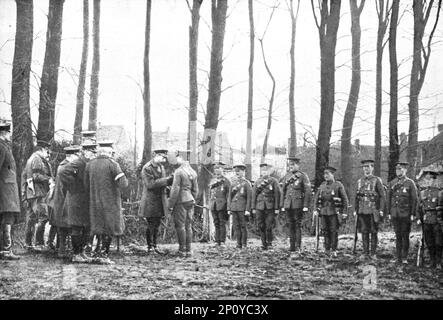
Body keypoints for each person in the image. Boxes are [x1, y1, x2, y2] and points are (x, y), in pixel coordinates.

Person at [84, 141, 128, 264]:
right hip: (110, 202)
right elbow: (124, 183)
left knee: (97, 226)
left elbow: (85, 184)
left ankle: (93, 252)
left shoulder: (90, 164)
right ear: (109, 152)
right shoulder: (113, 164)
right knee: (109, 227)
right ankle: (104, 254)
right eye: (112, 152)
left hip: (94, 202)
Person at [59, 142, 97, 263]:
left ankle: (82, 252)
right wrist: (74, 186)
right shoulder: (78, 162)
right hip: (76, 200)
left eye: (94, 152)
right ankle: (76, 254)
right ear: (85, 152)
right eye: (91, 152)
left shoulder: (88, 163)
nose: (93, 154)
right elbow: (63, 173)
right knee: (76, 227)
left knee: (85, 227)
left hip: (84, 200)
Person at [138, 149, 173, 254]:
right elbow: (150, 184)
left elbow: (162, 184)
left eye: (164, 158)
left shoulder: (161, 167)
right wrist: (167, 180)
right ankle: (149, 246)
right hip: (150, 201)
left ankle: (155, 245)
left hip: (159, 200)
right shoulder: (147, 168)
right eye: (162, 157)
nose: (163, 160)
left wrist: (168, 186)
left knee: (157, 224)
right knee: (151, 224)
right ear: (156, 155)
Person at [49, 145, 82, 258]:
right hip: (64, 200)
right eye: (77, 155)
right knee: (65, 227)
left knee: (63, 227)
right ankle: (62, 251)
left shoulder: (62, 165)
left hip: (61, 200)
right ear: (72, 155)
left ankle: (62, 249)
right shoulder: (67, 167)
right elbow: (68, 187)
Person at [22, 140, 54, 250]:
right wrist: (49, 179)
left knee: (31, 218)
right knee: (43, 217)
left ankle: (28, 243)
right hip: (38, 193)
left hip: (31, 193)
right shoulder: (37, 158)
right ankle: (39, 243)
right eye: (47, 151)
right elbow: (36, 176)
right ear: (43, 149)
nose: (48, 154)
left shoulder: (31, 158)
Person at [313, 166, 349, 258]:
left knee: (333, 231)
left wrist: (344, 212)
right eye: (324, 174)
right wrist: (315, 209)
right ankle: (327, 249)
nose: (325, 176)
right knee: (325, 231)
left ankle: (334, 249)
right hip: (324, 212)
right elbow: (316, 199)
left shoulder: (338, 185)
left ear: (332, 174)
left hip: (334, 212)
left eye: (328, 174)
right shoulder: (322, 186)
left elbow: (345, 200)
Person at [387, 162, 418, 265]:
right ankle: (398, 257)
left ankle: (404, 257)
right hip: (395, 214)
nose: (398, 171)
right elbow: (389, 199)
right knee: (398, 235)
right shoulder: (392, 183)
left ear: (405, 170)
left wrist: (413, 213)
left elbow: (414, 200)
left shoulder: (410, 183)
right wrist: (389, 212)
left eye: (400, 169)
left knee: (405, 235)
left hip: (406, 214)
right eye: (397, 169)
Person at [354, 159, 386, 260]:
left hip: (373, 209)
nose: (366, 169)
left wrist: (381, 209)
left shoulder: (377, 180)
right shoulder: (360, 181)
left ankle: (373, 253)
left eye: (368, 167)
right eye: (364, 167)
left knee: (373, 231)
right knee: (364, 231)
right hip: (362, 210)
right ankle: (365, 252)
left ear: (372, 168)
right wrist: (356, 209)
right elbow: (356, 197)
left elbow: (382, 196)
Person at [168, 151, 198, 257]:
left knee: (180, 226)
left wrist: (171, 204)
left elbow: (175, 189)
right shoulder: (193, 172)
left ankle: (182, 250)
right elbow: (195, 190)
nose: (176, 160)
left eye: (178, 157)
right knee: (188, 225)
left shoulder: (179, 171)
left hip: (180, 201)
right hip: (190, 200)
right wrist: (192, 198)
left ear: (181, 158)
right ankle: (189, 249)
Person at [280, 157, 311, 254]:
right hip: (288, 205)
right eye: (290, 165)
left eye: (293, 165)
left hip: (298, 204)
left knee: (297, 225)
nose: (291, 167)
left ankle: (298, 245)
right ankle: (292, 245)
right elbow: (283, 191)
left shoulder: (303, 176)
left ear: (298, 165)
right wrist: (282, 205)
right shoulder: (287, 176)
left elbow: (307, 191)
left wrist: (306, 205)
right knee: (290, 225)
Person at [0, 122, 20, 260]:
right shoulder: (1, 147)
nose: (9, 135)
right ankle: (6, 250)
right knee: (8, 218)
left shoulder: (4, 147)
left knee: (7, 218)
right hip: (5, 190)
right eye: (8, 133)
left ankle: (5, 249)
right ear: (3, 133)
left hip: (7, 189)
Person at [251, 163, 280, 250]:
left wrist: (276, 208)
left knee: (268, 225)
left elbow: (277, 195)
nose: (264, 172)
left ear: (269, 171)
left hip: (270, 207)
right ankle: (263, 243)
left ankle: (269, 242)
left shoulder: (273, 181)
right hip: (259, 207)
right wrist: (253, 208)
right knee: (261, 225)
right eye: (262, 171)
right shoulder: (257, 182)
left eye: (266, 170)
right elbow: (254, 196)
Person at [417, 169, 442, 269]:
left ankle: (438, 262)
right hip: (426, 219)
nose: (429, 182)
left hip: (436, 219)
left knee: (438, 242)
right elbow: (419, 207)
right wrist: (419, 217)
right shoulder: (423, 193)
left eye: (431, 180)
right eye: (427, 180)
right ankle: (432, 261)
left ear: (434, 181)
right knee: (429, 241)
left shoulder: (439, 193)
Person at [227, 164, 252, 249]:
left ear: (244, 172)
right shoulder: (233, 183)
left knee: (243, 226)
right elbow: (230, 196)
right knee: (236, 226)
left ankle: (244, 243)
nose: (237, 173)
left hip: (242, 208)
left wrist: (248, 209)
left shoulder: (246, 183)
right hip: (234, 208)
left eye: (239, 171)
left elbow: (249, 198)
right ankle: (238, 243)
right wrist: (229, 208)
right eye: (236, 171)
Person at [209, 161, 231, 247]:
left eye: (219, 168)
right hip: (213, 205)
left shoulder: (226, 181)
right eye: (215, 168)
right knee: (216, 222)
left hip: (222, 205)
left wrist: (228, 207)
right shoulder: (213, 180)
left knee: (222, 223)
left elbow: (228, 195)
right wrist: (210, 204)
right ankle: (216, 241)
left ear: (223, 169)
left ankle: (222, 241)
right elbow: (210, 194)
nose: (217, 170)